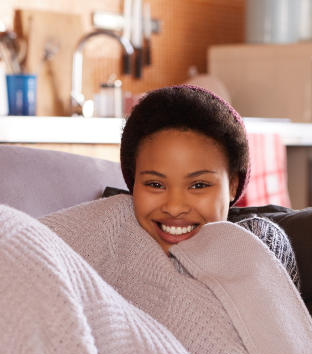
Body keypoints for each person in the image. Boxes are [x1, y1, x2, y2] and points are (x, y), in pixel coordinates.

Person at [118, 84, 301, 289]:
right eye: (156, 184)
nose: (175, 207)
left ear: (233, 185)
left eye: (198, 185)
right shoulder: (108, 240)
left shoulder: (259, 244)